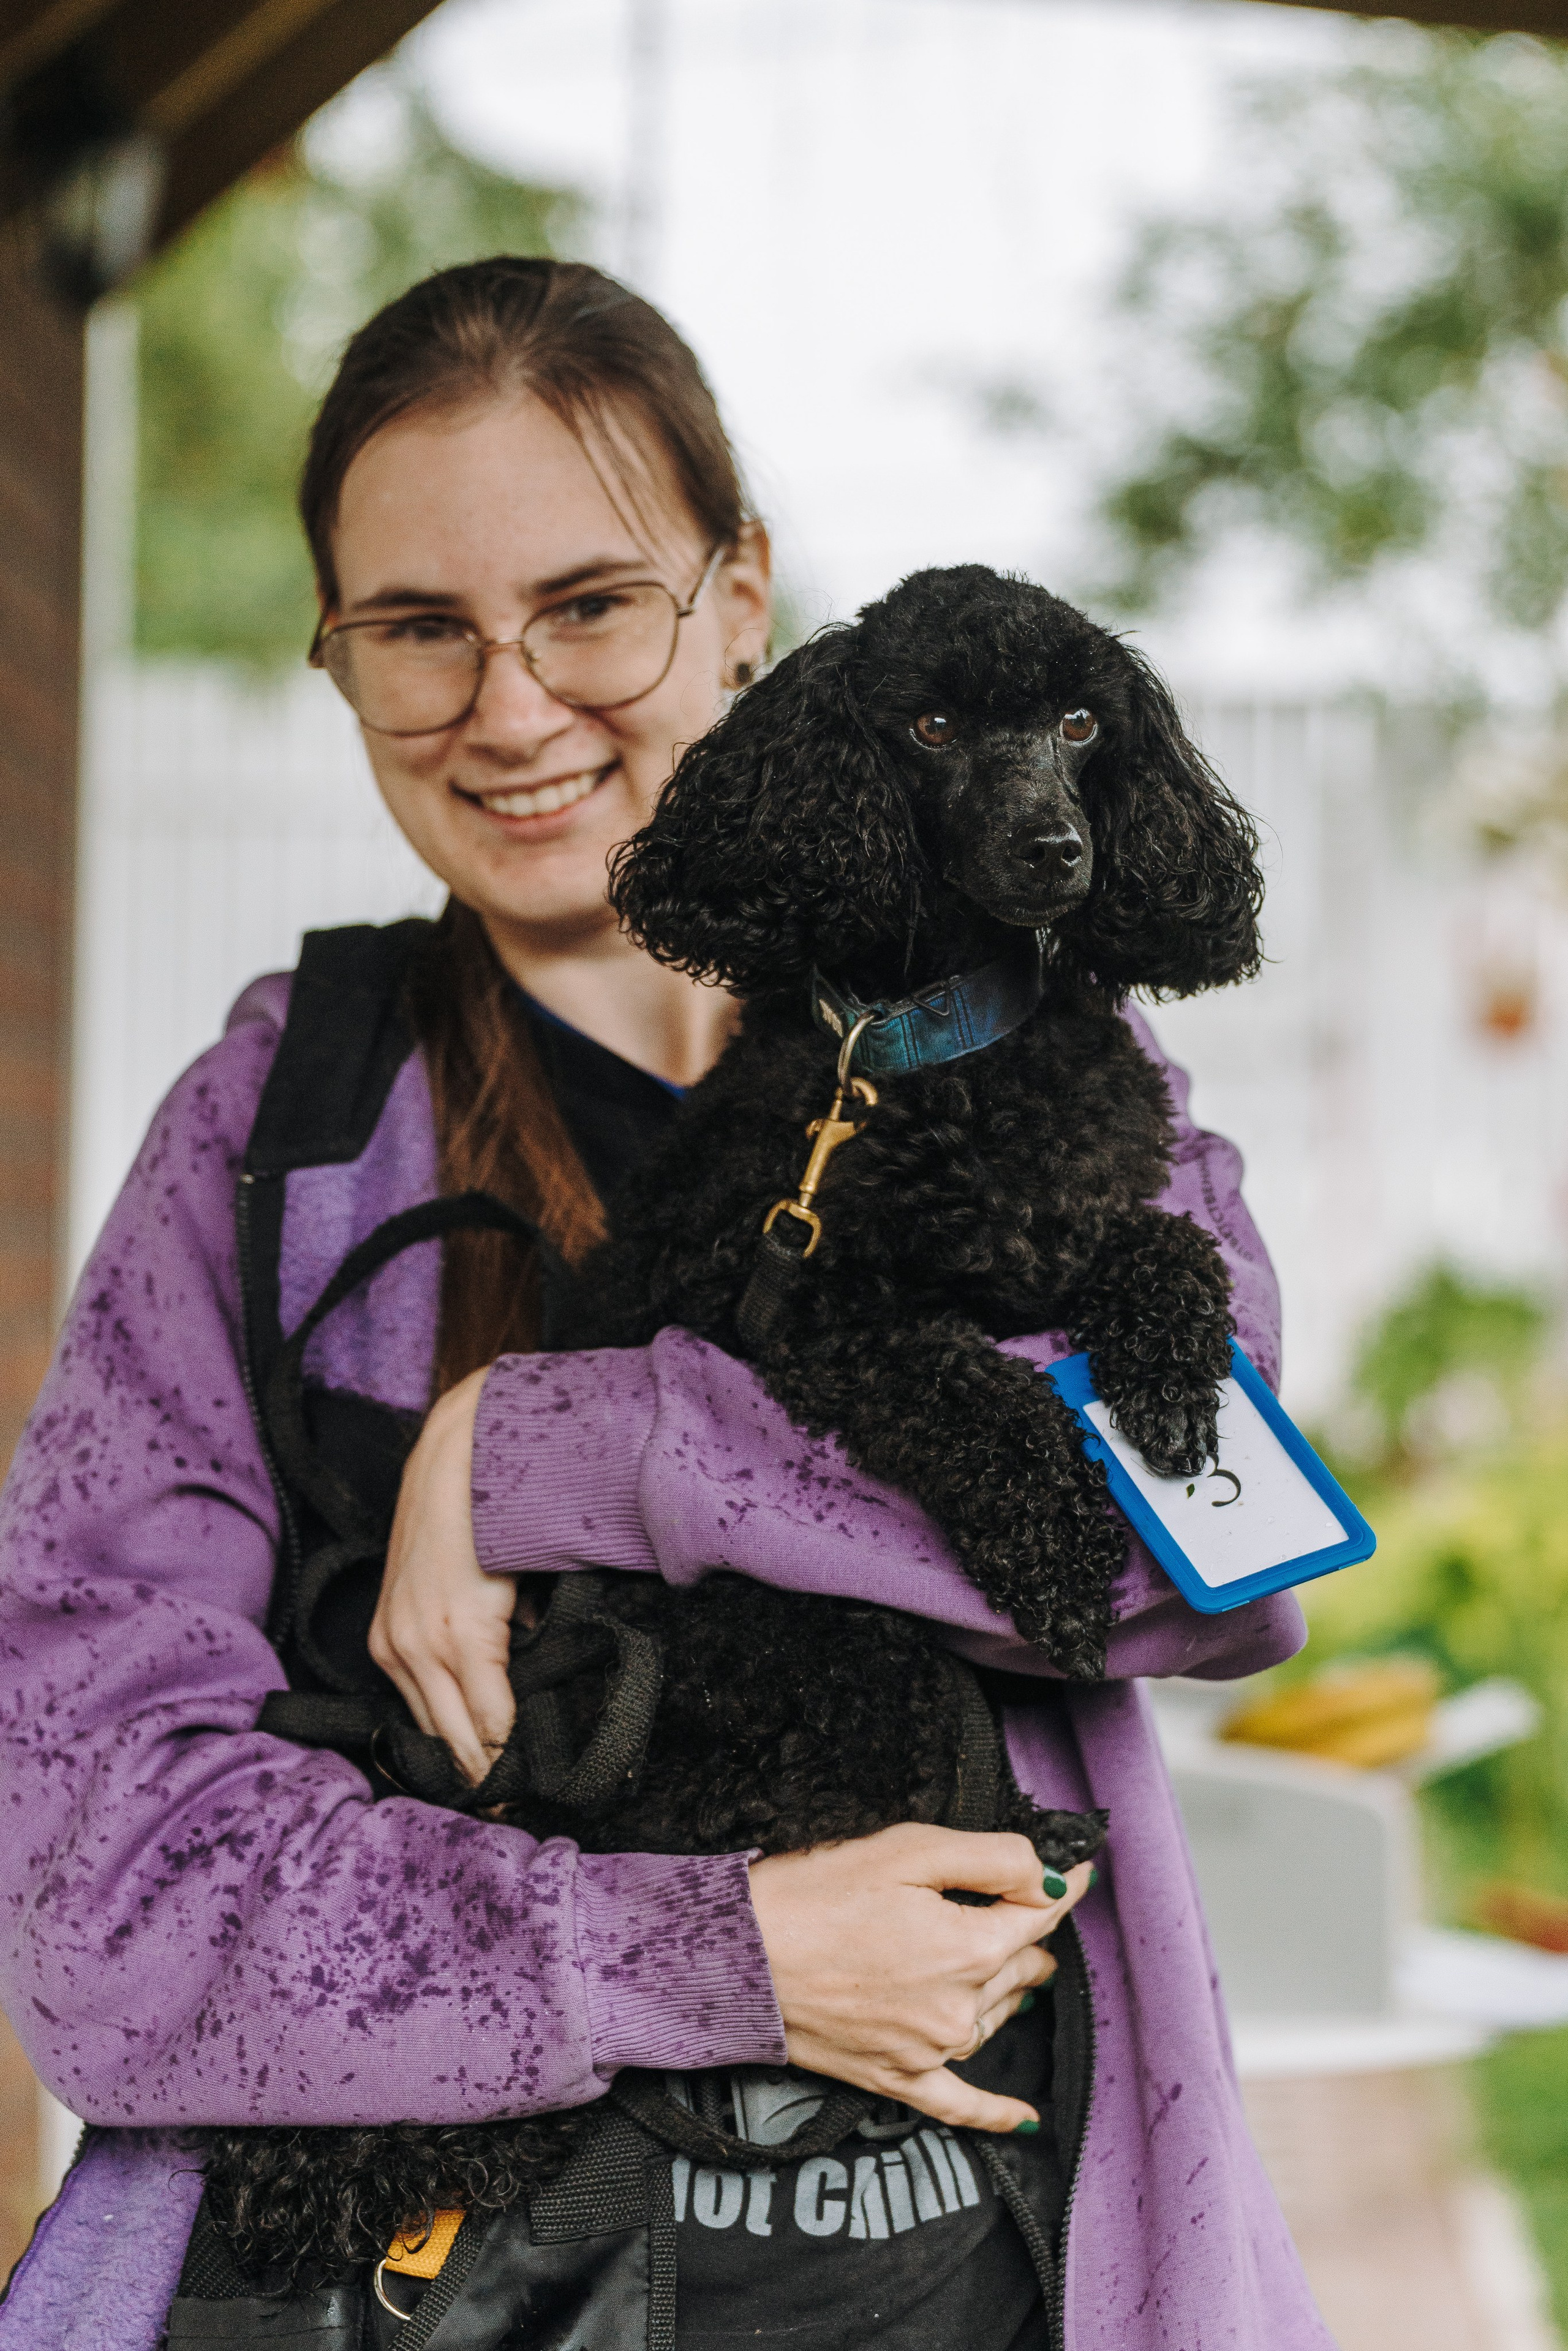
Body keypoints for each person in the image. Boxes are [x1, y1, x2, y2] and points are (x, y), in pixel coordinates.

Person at [0, 258, 1332, 2350]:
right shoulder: (280, 1124)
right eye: (418, 631)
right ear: (335, 657)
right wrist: (711, 1948)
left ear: (740, 600)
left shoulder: (1045, 1050)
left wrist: (558, 1449)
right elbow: (109, 1900)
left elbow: (1216, 1565)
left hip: (980, 2260)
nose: (510, 709)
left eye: (593, 606)